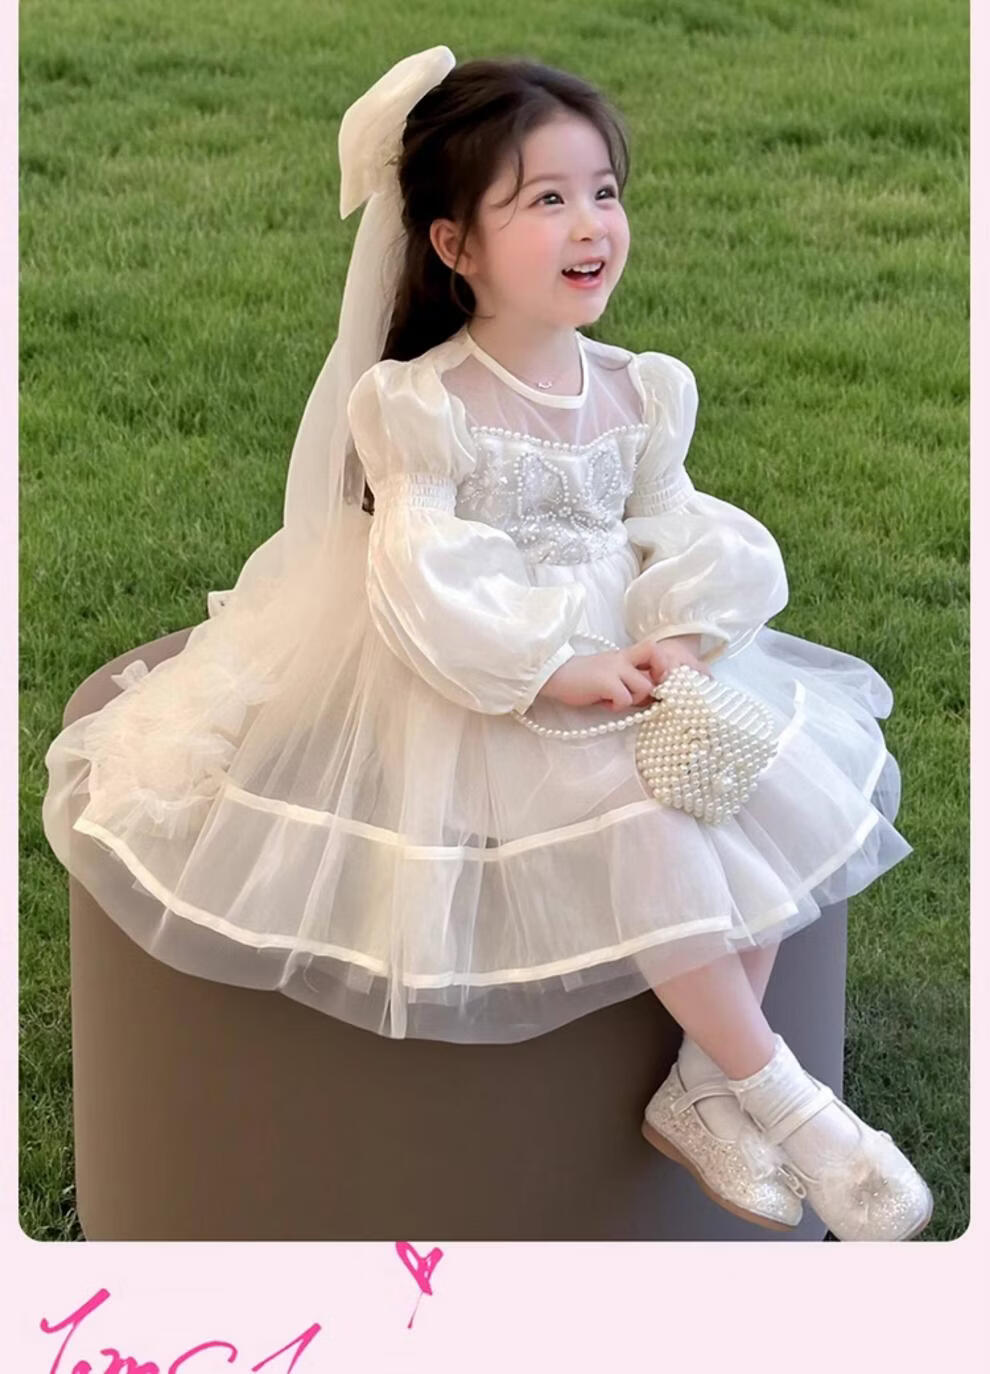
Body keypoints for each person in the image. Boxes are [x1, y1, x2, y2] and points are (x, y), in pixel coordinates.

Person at [41, 46, 932, 1241]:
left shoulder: (642, 388)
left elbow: (677, 523)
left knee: (757, 778)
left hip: (630, 652)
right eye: (545, 199)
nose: (591, 224)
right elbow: (424, 569)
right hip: (485, 676)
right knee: (647, 818)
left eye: (603, 191)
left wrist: (681, 634)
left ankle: (707, 1082)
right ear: (455, 246)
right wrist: (555, 669)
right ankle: (786, 1097)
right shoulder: (426, 404)